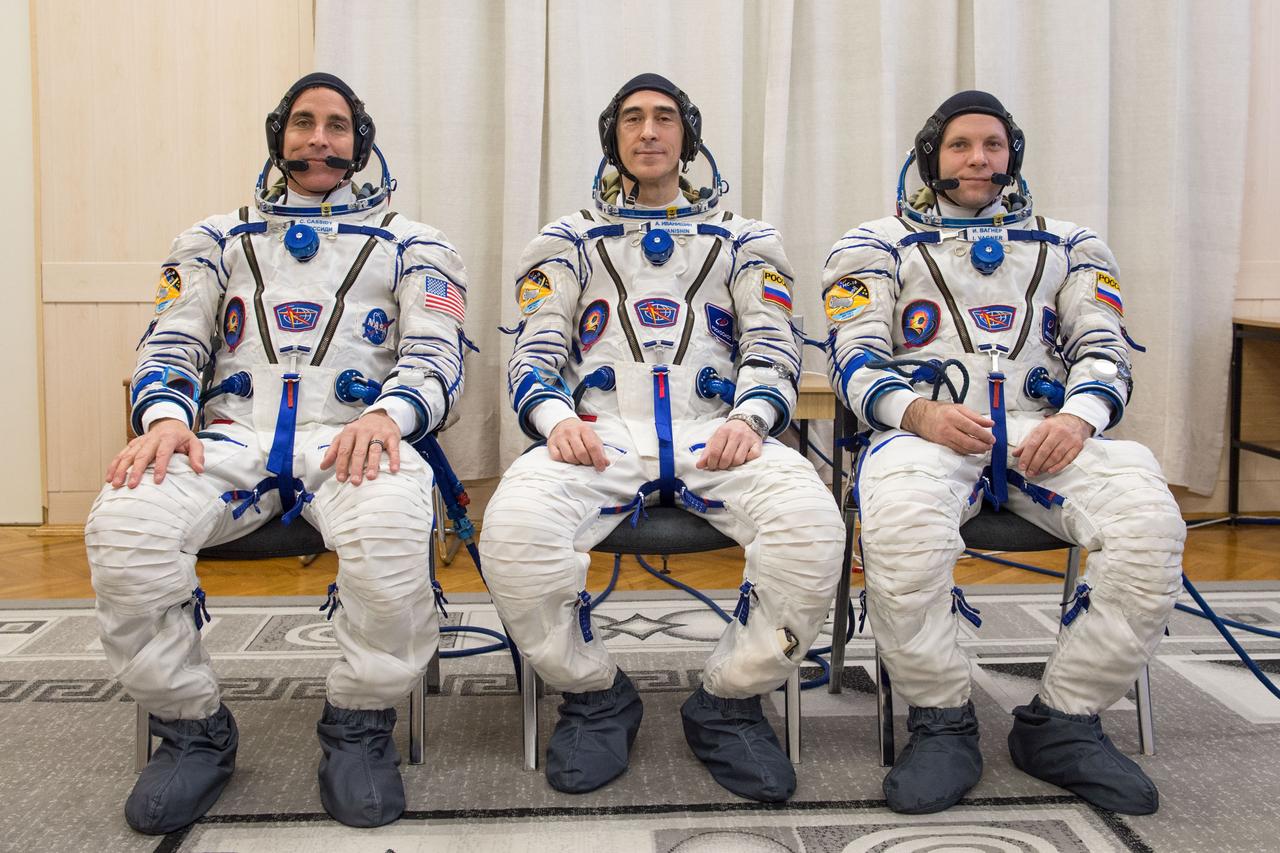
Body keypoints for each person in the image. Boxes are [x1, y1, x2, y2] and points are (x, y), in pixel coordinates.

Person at [85, 73, 470, 832]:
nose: (318, 140)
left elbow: (437, 357)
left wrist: (392, 414)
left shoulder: (417, 243)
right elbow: (170, 343)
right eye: (302, 123)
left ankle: (358, 724)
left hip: (354, 440)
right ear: (278, 136)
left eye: (335, 126)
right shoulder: (211, 240)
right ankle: (193, 728)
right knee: (125, 528)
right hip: (229, 441)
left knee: (393, 536)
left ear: (360, 143)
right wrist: (164, 417)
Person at [479, 73, 844, 803]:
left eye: (666, 119)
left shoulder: (744, 240)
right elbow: (534, 353)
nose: (649, 132)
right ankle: (595, 694)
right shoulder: (568, 240)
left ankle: (729, 701)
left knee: (812, 527)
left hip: (721, 433)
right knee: (514, 531)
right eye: (634, 119)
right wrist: (557, 423)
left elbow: (773, 348)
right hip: (600, 436)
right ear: (614, 137)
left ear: (689, 135)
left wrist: (751, 418)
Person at [823, 90, 1185, 815]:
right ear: (931, 156)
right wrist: (915, 411)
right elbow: (853, 356)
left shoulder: (1073, 245)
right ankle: (941, 720)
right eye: (960, 145)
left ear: (1012, 154)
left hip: (1047, 431)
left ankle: (1064, 721)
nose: (979, 159)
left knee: (1151, 526)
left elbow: (1103, 350)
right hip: (925, 432)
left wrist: (1080, 418)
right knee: (900, 529)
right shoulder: (872, 244)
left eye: (992, 145)